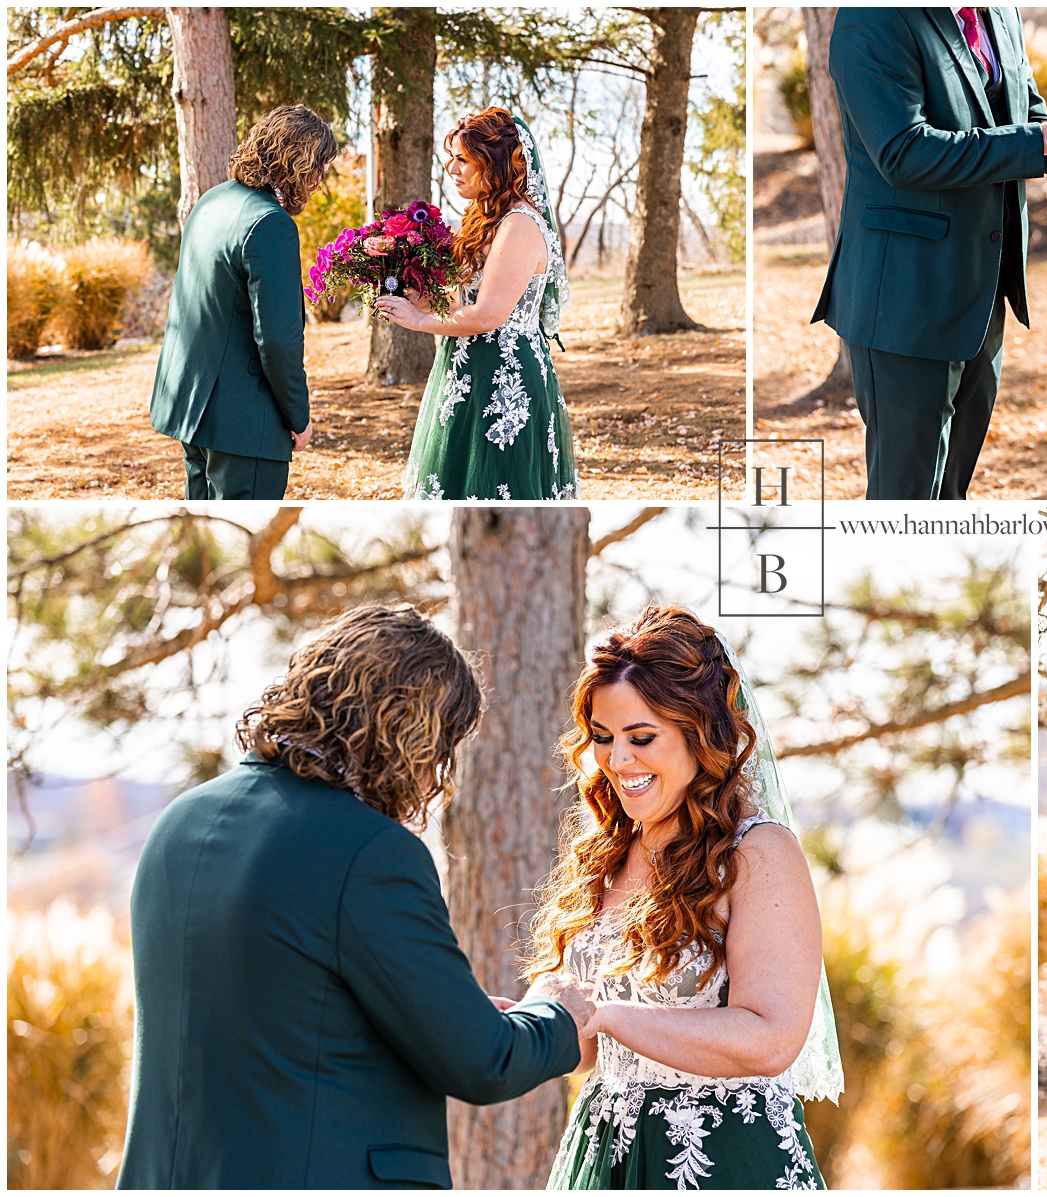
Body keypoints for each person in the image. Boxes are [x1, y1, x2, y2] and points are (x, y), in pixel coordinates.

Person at [117, 605, 592, 1189]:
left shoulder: (177, 823)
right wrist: (559, 1014)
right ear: (409, 731)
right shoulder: (369, 852)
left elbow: (274, 1013)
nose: (436, 777)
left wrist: (452, 1014)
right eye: (443, 748)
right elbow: (483, 1063)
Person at [531, 606, 844, 1188]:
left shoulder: (757, 854)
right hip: (606, 1157)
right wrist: (536, 1022)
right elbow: (586, 1056)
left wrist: (609, 1015)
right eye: (603, 738)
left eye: (641, 737)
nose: (618, 761)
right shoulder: (606, 853)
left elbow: (772, 1039)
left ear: (700, 732)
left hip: (724, 1157)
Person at [810, 6, 1047, 500]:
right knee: (904, 502)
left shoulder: (1000, 11)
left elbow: (1024, 115)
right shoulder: (872, 16)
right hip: (904, 300)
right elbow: (903, 152)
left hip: (985, 292)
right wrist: (1042, 139)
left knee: (951, 498)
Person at [377, 107, 579, 501]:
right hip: (465, 368)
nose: (453, 168)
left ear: (496, 163)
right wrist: (410, 290)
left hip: (506, 378)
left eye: (463, 160)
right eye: (450, 158)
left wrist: (420, 321)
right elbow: (461, 299)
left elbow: (488, 314)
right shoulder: (482, 220)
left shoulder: (519, 225)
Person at [149, 105, 332, 500]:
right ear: (298, 161)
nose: (319, 180)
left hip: (191, 408)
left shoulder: (212, 200)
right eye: (319, 166)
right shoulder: (271, 223)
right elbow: (278, 339)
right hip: (243, 421)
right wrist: (299, 417)